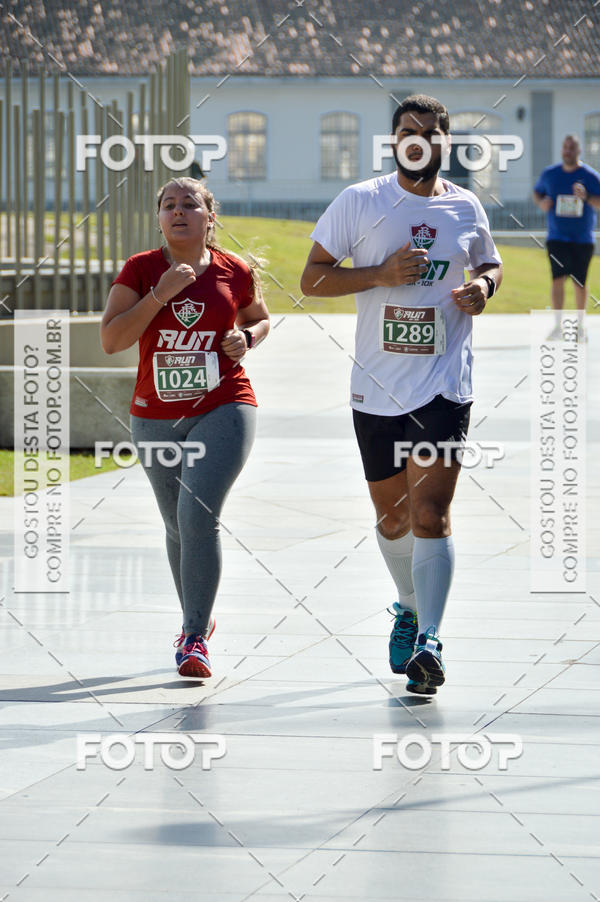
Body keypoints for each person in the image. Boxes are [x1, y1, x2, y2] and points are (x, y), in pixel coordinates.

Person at [301, 94, 502, 695]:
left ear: (445, 142)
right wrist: (379, 275)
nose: (419, 139)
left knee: (430, 514)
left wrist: (483, 289)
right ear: (394, 142)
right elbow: (312, 279)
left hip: (444, 385)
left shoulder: (466, 206)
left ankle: (430, 640)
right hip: (376, 388)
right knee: (392, 520)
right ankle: (409, 608)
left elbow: (489, 265)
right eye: (407, 131)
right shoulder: (360, 202)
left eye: (431, 132)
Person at [101, 177, 269, 678]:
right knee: (176, 523)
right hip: (154, 415)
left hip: (225, 405)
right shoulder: (141, 269)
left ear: (209, 217)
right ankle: (198, 618)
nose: (179, 211)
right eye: (168, 205)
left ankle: (193, 637)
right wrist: (158, 295)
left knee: (197, 515)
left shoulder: (233, 270)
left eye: (190, 204)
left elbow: (261, 318)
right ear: (158, 218)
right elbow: (112, 339)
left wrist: (247, 337)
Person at [533, 134, 600, 342]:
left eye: (572, 148)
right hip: (557, 237)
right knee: (557, 279)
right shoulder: (550, 174)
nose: (568, 151)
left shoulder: (590, 176)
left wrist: (587, 197)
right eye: (565, 148)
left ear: (579, 151)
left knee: (579, 282)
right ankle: (557, 325)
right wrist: (542, 202)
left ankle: (580, 326)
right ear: (562, 150)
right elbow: (537, 193)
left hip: (582, 238)